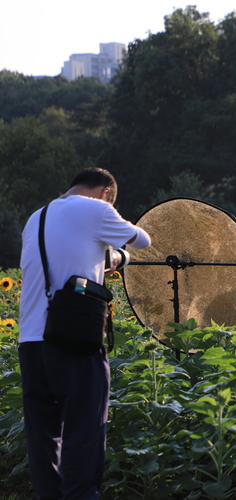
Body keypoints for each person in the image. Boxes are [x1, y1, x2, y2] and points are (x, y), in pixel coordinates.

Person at [18, 168, 151, 499]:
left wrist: (109, 255)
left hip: (31, 342)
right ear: (106, 192)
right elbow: (142, 240)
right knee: (84, 428)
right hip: (72, 338)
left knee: (43, 433)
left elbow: (66, 253)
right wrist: (122, 256)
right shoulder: (96, 209)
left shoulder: (37, 217)